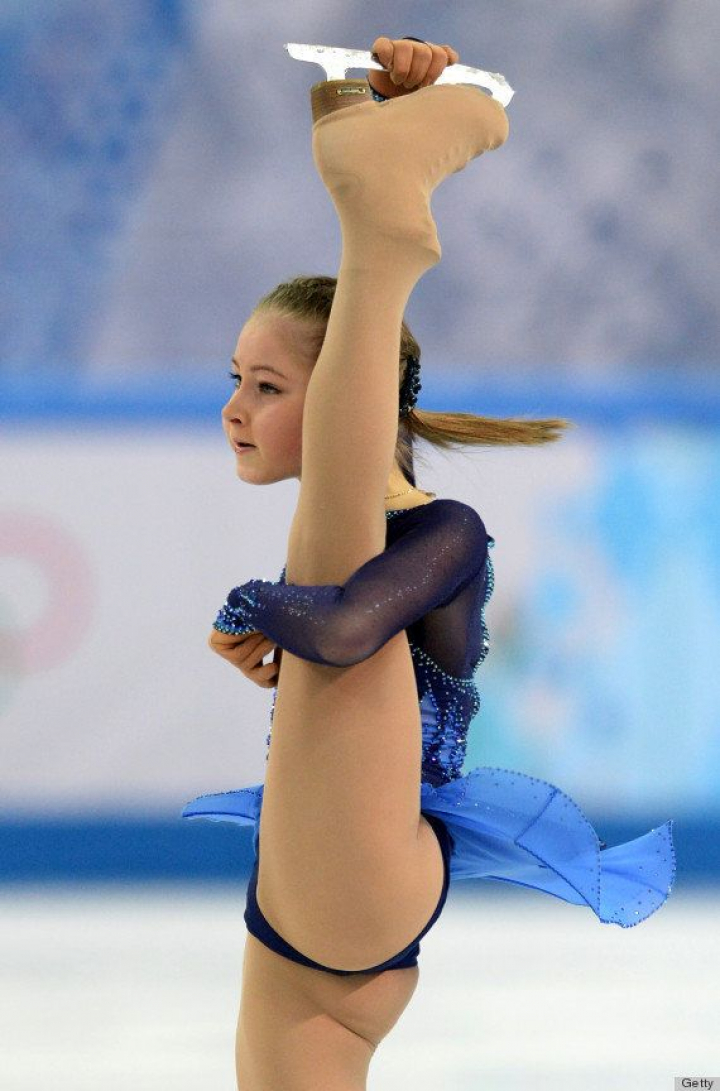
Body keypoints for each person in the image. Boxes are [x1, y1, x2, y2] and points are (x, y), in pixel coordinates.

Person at [182, 35, 676, 1091]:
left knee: (335, 520)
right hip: (316, 900)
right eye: (235, 379)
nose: (235, 408)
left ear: (347, 393)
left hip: (362, 866)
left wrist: (253, 602)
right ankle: (374, 166)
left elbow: (343, 625)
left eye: (266, 385)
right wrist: (261, 610)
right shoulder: (361, 523)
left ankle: (382, 229)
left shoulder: (444, 529)